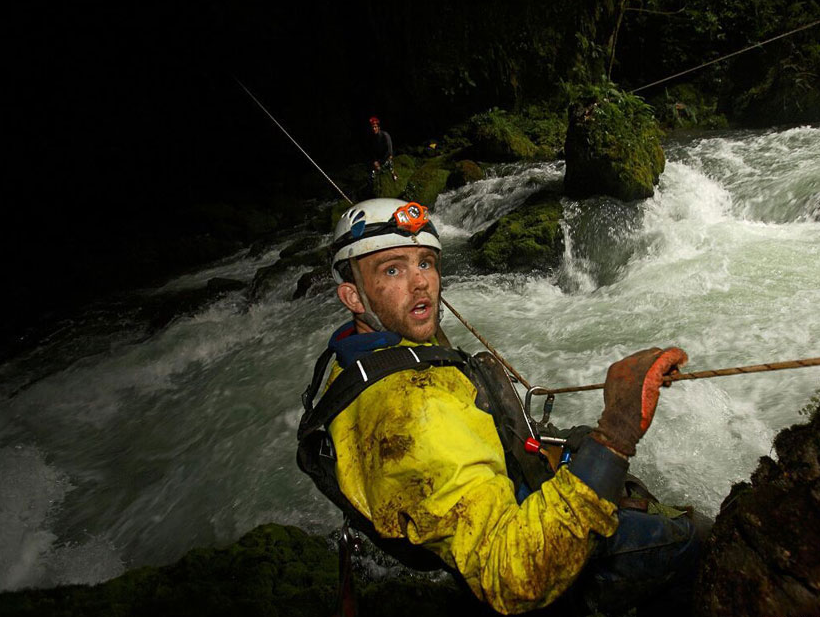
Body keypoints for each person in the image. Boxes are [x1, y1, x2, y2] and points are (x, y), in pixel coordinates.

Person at [297, 198, 701, 615]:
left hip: (471, 493)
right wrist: (618, 427)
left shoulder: (357, 355)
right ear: (353, 296)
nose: (421, 283)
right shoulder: (416, 416)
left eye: (426, 263)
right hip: (519, 550)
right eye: (393, 270)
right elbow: (513, 575)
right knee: (688, 540)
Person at [367, 116, 398, 186]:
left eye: (375, 127)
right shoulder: (372, 138)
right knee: (372, 175)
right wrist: (375, 161)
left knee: (390, 170)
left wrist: (380, 162)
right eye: (372, 127)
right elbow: (372, 151)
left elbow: (389, 152)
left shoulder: (385, 135)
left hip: (386, 159)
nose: (374, 129)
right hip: (378, 160)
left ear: (378, 127)